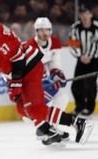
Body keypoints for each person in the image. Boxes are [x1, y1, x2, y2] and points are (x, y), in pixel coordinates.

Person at [0, 4, 94, 146]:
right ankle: (47, 130)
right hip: (25, 69)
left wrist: (15, 84)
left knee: (36, 108)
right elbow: (5, 53)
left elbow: (17, 58)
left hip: (29, 70)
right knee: (22, 108)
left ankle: (78, 123)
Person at [25, 17, 70, 145]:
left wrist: (57, 75)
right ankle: (42, 128)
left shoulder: (54, 42)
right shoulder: (30, 46)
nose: (45, 33)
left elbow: (55, 64)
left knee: (62, 96)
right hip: (32, 85)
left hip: (44, 81)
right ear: (36, 31)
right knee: (35, 108)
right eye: (41, 30)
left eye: (47, 30)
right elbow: (29, 71)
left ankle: (51, 127)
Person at [68, 4, 98, 116]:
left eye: (87, 14)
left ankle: (89, 109)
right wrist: (80, 56)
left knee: (90, 84)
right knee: (76, 85)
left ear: (91, 15)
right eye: (82, 14)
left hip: (95, 60)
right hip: (82, 60)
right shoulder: (75, 28)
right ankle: (79, 107)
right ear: (79, 15)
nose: (85, 16)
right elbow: (72, 44)